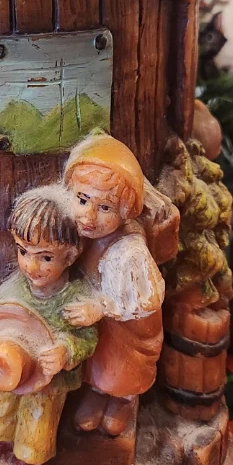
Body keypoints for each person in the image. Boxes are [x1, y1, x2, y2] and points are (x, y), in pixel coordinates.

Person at [0, 186, 97, 465]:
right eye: (23, 252)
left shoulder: (74, 297)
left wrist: (65, 350)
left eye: (45, 257)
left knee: (37, 421)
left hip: (49, 381)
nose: (31, 266)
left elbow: (88, 339)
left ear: (70, 255)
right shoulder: (16, 286)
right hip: (8, 369)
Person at [62, 133, 165, 438]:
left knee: (121, 370)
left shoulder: (127, 251)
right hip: (102, 326)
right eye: (82, 200)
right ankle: (97, 394)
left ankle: (122, 401)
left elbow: (144, 300)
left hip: (130, 328)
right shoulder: (80, 233)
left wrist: (101, 306)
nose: (89, 216)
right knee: (99, 365)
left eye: (105, 208)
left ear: (124, 211)